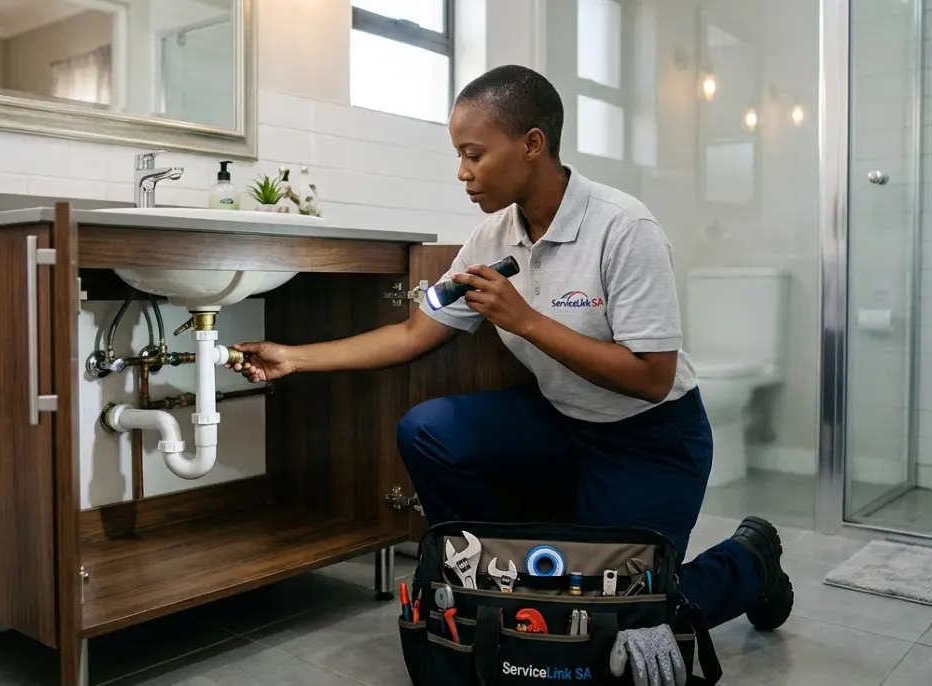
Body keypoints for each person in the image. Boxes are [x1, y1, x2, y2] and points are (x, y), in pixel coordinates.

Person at [227, 64, 792, 633]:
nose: (462, 173)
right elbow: (412, 334)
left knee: (616, 621)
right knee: (430, 429)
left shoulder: (624, 229)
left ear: (531, 144)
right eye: (460, 156)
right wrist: (295, 356)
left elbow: (650, 377)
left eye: (474, 154)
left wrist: (525, 320)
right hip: (563, 424)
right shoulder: (491, 238)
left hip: (651, 438)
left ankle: (750, 559)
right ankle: (484, 575)